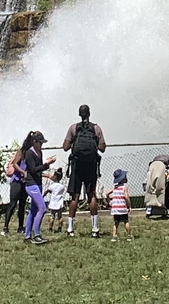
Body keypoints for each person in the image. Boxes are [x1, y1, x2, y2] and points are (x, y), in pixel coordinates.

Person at [62, 103, 108, 238]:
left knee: (74, 196)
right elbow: (103, 148)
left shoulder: (73, 128)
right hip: (91, 165)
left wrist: (74, 143)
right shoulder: (96, 128)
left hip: (77, 165)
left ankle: (70, 229)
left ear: (79, 114)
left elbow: (65, 147)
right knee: (91, 195)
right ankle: (95, 229)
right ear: (89, 113)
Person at [20, 130, 48, 245]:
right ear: (34, 142)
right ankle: (37, 235)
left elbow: (39, 170)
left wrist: (45, 167)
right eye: (40, 143)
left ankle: (27, 235)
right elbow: (33, 170)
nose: (41, 145)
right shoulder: (29, 153)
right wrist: (46, 165)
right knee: (42, 208)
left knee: (34, 210)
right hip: (31, 185)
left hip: (38, 184)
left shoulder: (40, 153)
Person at [2, 144, 30, 237]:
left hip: (24, 182)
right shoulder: (21, 152)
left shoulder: (32, 154)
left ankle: (20, 227)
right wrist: (23, 172)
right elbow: (14, 164)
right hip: (17, 181)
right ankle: (5, 227)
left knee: (22, 205)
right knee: (12, 204)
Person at [45, 159, 71, 236]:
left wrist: (43, 195)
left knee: (52, 217)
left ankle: (50, 228)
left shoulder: (52, 186)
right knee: (60, 217)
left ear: (55, 177)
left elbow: (48, 191)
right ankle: (59, 228)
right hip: (59, 203)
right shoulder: (62, 186)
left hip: (53, 203)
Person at [107, 168, 132, 241]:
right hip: (123, 209)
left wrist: (110, 202)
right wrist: (129, 206)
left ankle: (114, 236)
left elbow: (107, 193)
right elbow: (126, 197)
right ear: (122, 179)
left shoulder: (114, 188)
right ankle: (129, 236)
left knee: (116, 223)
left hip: (115, 209)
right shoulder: (124, 188)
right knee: (126, 221)